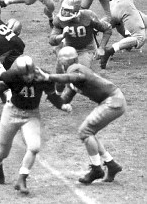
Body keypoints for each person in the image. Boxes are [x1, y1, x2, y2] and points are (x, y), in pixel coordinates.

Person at [0, 56, 70, 194]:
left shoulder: (42, 76)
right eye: (25, 74)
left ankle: (22, 179)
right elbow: (0, 87)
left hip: (31, 114)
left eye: (30, 73)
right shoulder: (11, 76)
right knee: (3, 151)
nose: (28, 77)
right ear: (18, 73)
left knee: (34, 147)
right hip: (12, 112)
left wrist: (62, 105)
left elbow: (51, 95)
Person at [37, 46, 125, 184]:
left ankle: (97, 169)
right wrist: (50, 94)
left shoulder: (75, 69)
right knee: (89, 132)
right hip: (112, 100)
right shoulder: (74, 73)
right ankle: (111, 164)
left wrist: (49, 77)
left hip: (112, 101)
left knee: (85, 131)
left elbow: (72, 77)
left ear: (63, 62)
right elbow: (65, 99)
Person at [49, 0, 112, 92]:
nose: (64, 13)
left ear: (76, 10)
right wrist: (62, 36)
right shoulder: (59, 19)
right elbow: (51, 40)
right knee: (60, 75)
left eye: (68, 10)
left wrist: (101, 47)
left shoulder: (88, 16)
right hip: (68, 48)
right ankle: (58, 95)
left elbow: (107, 29)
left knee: (81, 79)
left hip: (86, 49)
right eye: (64, 9)